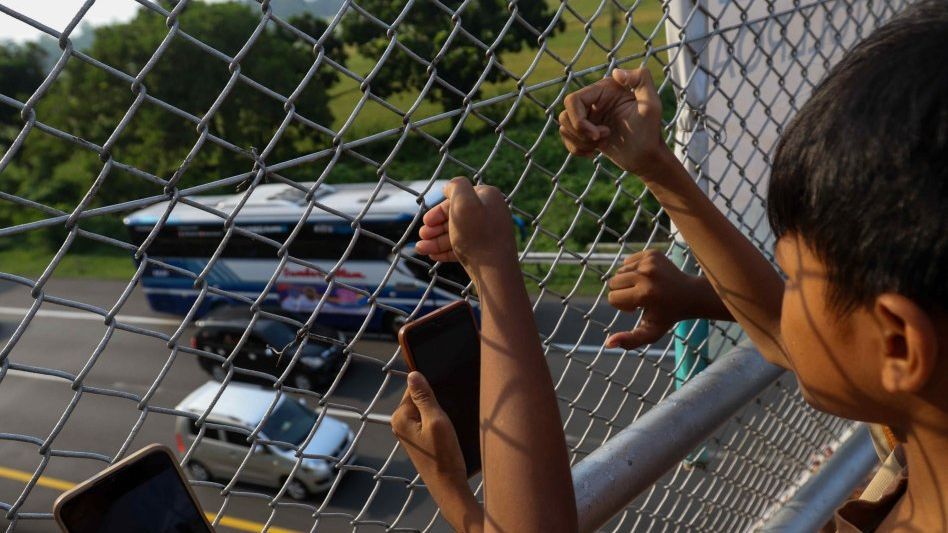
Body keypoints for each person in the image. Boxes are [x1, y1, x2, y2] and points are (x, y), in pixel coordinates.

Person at [392, 2, 947, 531]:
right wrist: (656, 166)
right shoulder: (921, 430)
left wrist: (494, 275)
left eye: (797, 280)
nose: (786, 296)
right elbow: (806, 335)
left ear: (898, 343)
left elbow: (792, 336)